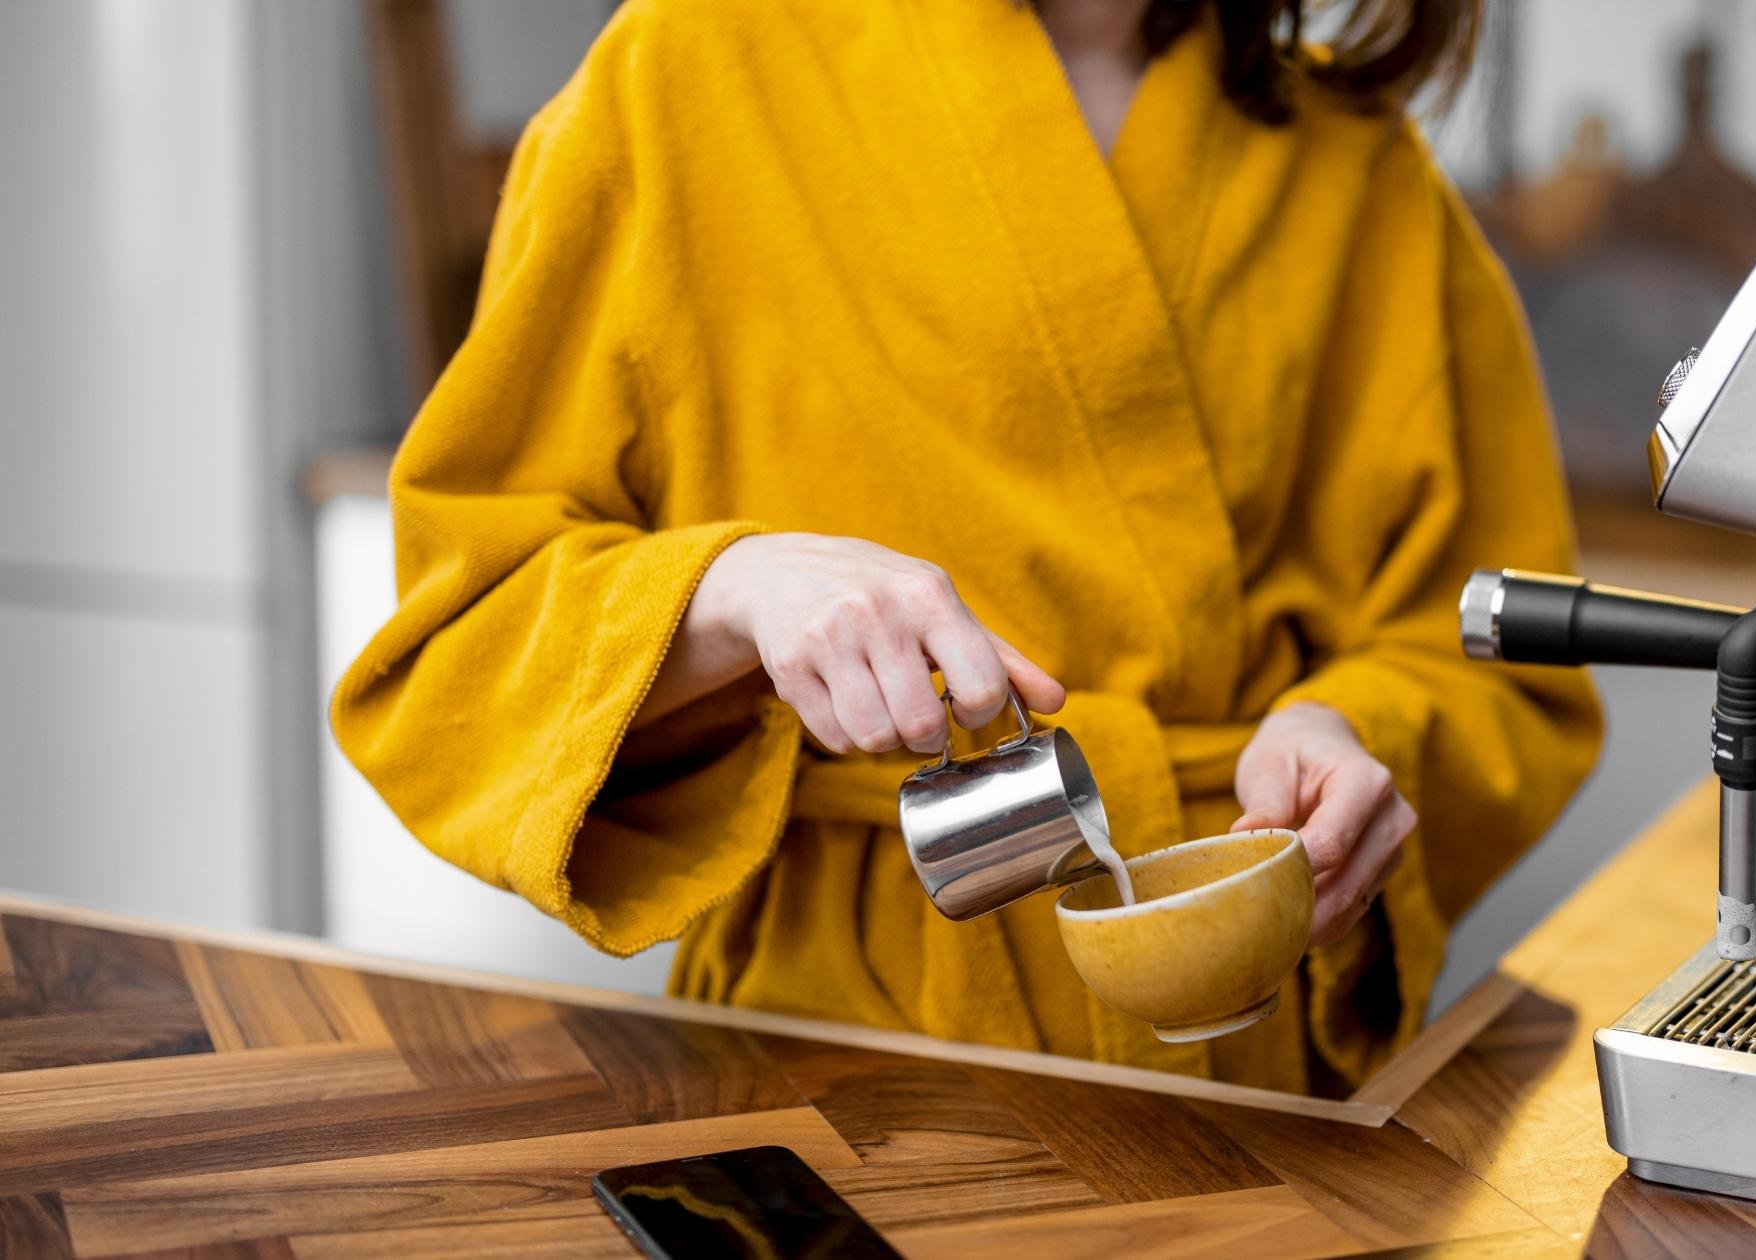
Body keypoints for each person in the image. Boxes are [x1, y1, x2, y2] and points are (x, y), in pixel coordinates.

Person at [332, 0, 1602, 1092]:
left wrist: (1353, 733)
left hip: (1252, 1055)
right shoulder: (691, 65)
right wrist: (731, 593)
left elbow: (1496, 644)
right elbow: (462, 638)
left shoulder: (1354, 164)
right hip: (834, 1051)